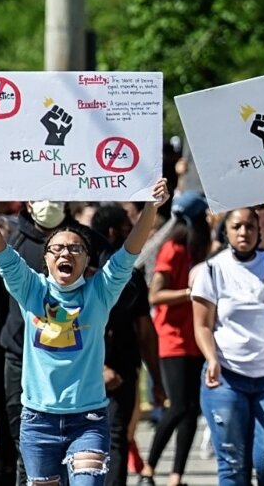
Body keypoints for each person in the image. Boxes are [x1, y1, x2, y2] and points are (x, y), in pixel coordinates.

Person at [0, 174, 165, 486]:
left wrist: (151, 206)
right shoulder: (30, 289)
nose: (65, 254)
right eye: (56, 249)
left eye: (75, 249)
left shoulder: (100, 292)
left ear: (87, 260)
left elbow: (129, 252)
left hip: (88, 422)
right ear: (45, 260)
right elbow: (0, 250)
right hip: (37, 421)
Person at [192, 207, 264, 486]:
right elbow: (202, 325)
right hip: (227, 379)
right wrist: (212, 358)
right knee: (232, 467)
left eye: (250, 227)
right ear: (226, 231)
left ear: (259, 232)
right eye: (237, 227)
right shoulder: (212, 271)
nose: (244, 233)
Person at [142, 191, 210, 486]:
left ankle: (176, 475)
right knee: (178, 406)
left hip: (196, 337)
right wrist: (190, 293)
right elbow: (155, 295)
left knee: (191, 410)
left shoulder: (200, 251)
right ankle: (148, 468)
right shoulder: (173, 249)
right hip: (172, 339)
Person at [87, 204, 153, 486]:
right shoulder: (83, 277)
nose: (132, 232)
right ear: (114, 232)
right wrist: (99, 367)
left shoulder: (132, 278)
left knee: (116, 437)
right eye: (128, 226)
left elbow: (144, 330)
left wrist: (158, 380)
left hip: (123, 372)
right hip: (88, 372)